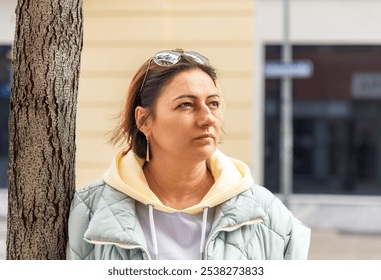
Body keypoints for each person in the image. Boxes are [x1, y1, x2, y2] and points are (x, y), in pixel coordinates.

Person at [67, 49, 311, 260]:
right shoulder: (89, 211)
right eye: (186, 104)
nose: (207, 119)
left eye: (213, 103)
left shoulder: (267, 214)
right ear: (144, 120)